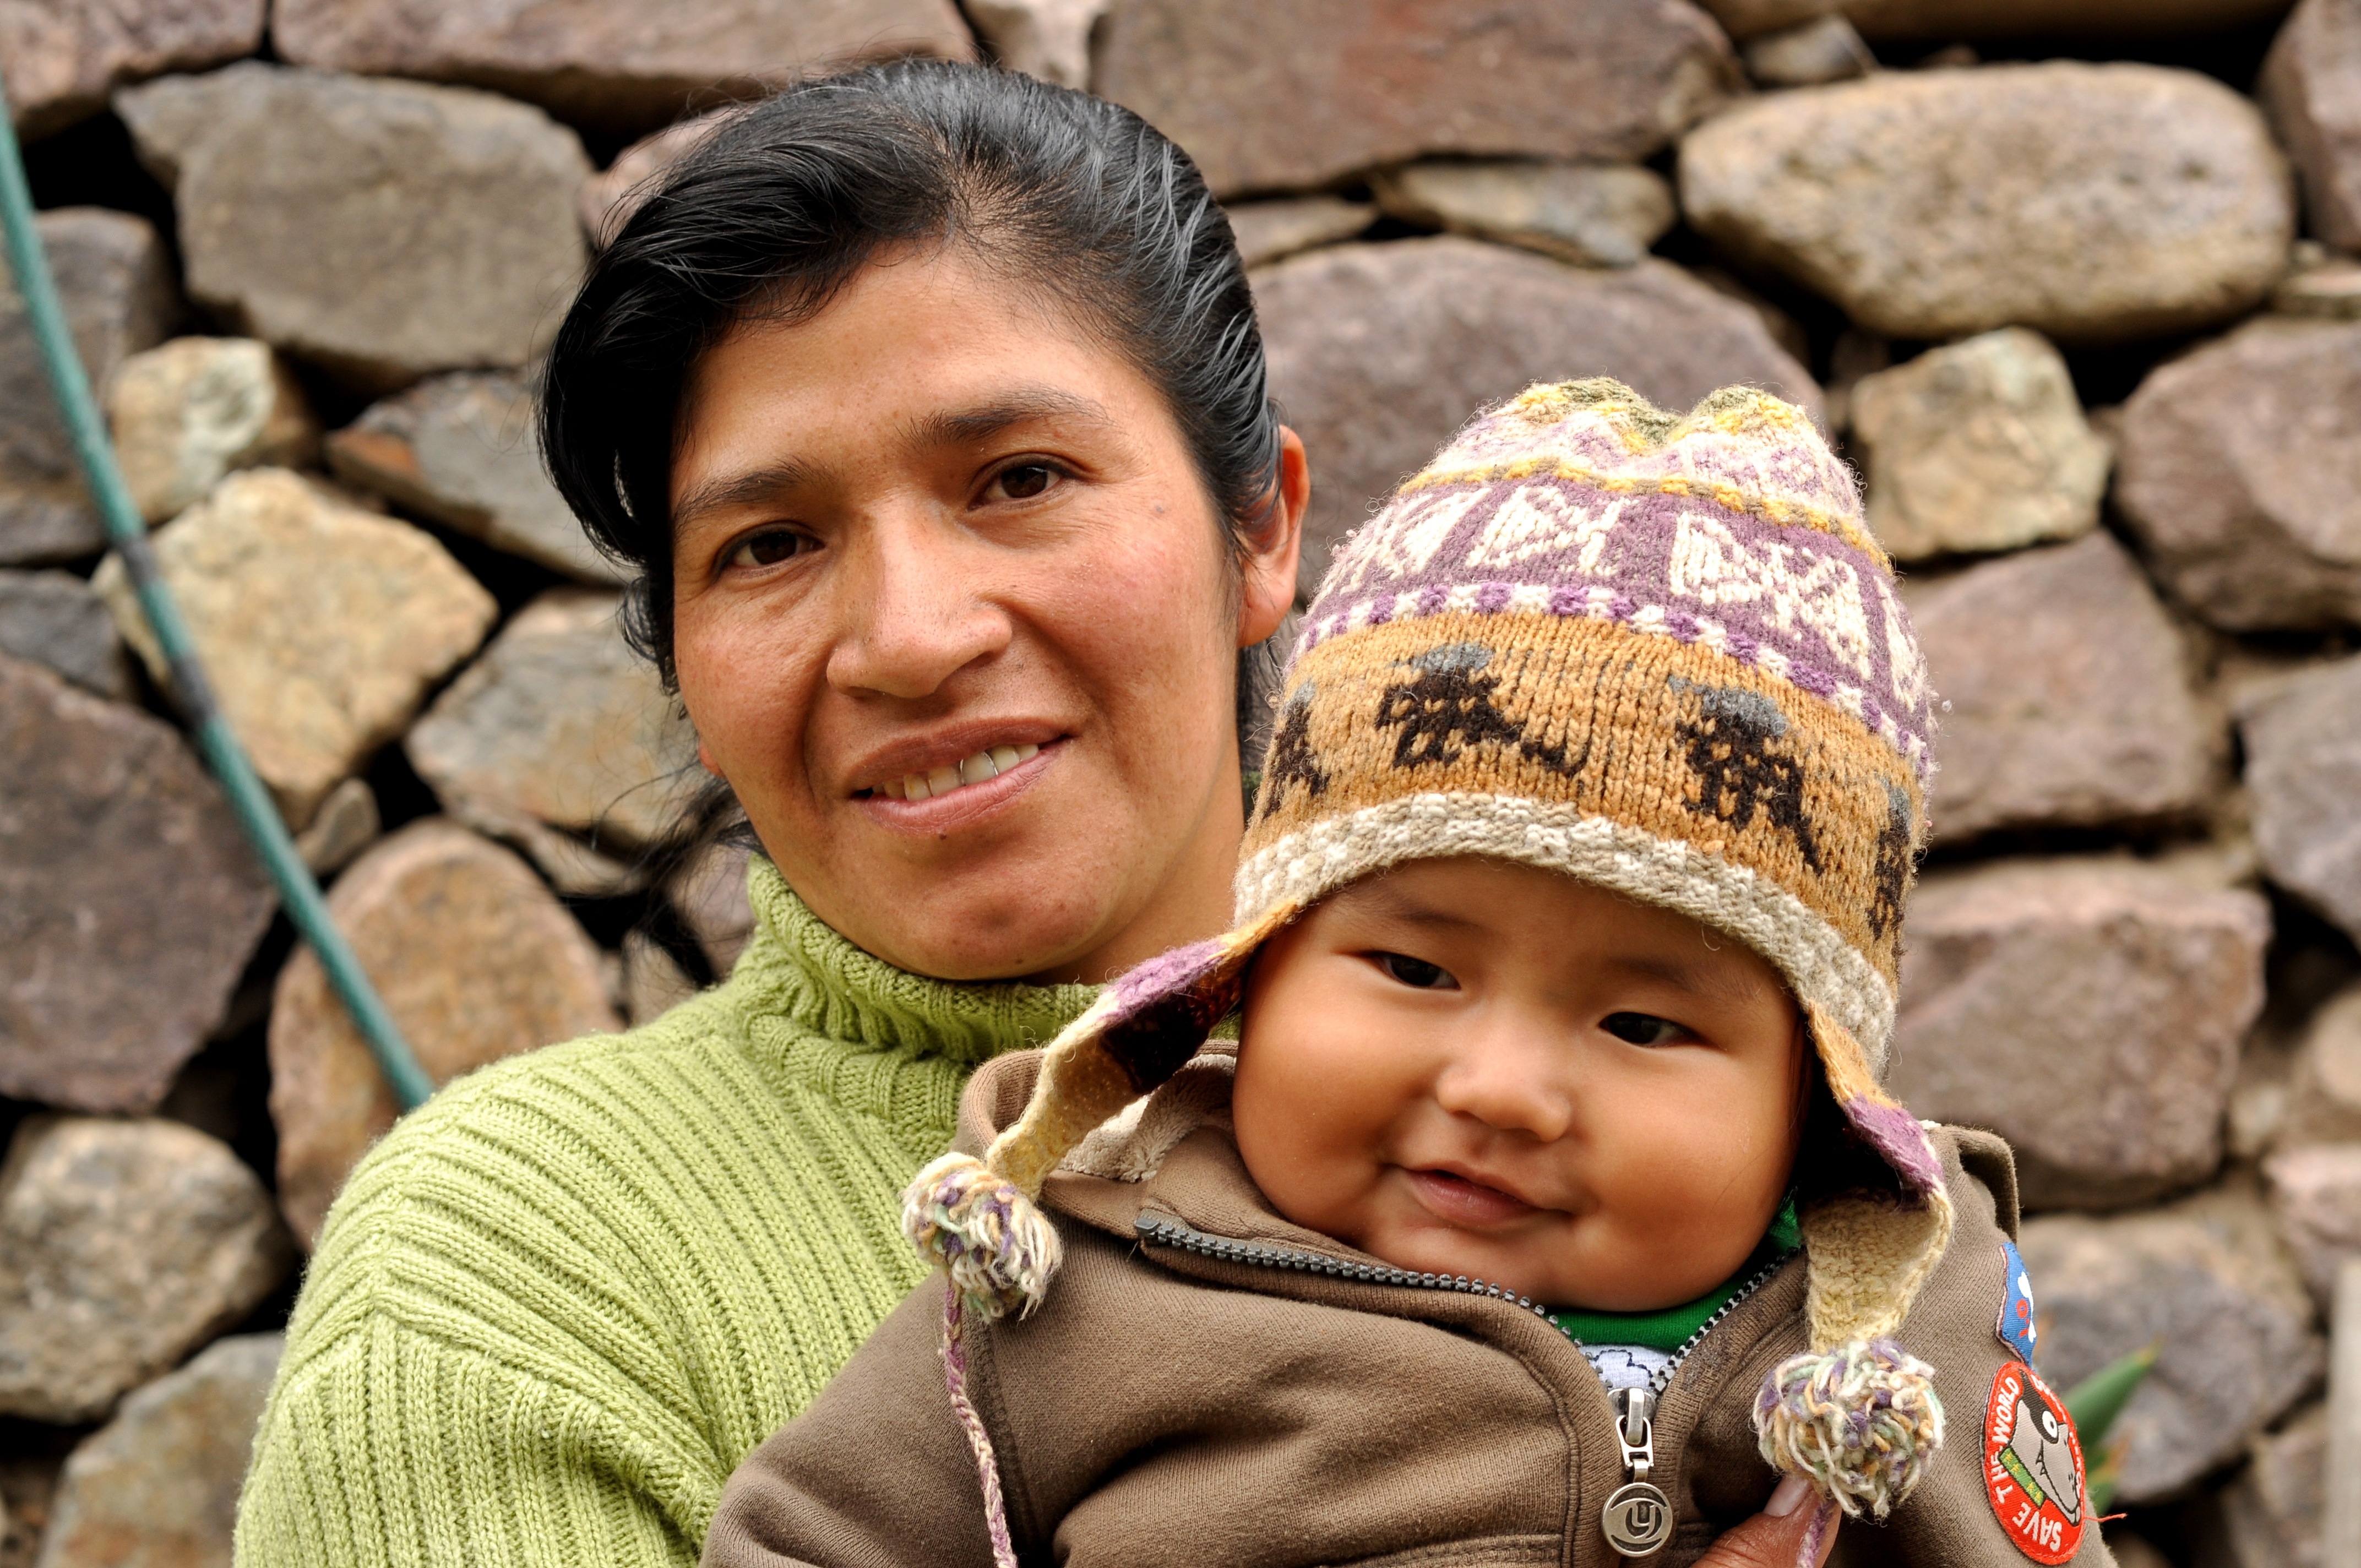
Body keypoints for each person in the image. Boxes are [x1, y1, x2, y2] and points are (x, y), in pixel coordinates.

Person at [701, 383, 2109, 1567]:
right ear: (1249, 973)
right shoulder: (1074, 1291)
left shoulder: (1893, 1344)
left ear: (1817, 1095)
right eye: (1412, 968)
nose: (1500, 1089)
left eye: (1640, 1021)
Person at [232, 61, 1309, 1568]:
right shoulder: (515, 1272)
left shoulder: (1634, 1107)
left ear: (1257, 529)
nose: (912, 636)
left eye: (1017, 478)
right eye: (771, 544)